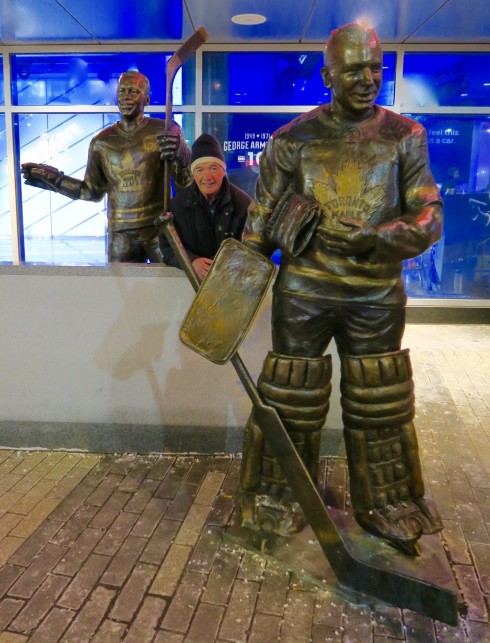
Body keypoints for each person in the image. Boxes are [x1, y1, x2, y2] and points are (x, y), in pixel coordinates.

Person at [238, 23, 444, 555]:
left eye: (375, 68)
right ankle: (279, 494)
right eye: (354, 70)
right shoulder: (292, 140)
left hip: (375, 295)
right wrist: (231, 288)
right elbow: (257, 226)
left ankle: (385, 499)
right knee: (290, 396)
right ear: (328, 74)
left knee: (380, 398)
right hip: (304, 291)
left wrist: (378, 236)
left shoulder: (405, 137)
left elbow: (428, 214)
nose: (367, 79)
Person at [21, 71, 192, 263]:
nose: (126, 96)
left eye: (134, 91)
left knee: (169, 287)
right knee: (118, 290)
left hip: (158, 229)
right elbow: (90, 192)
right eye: (122, 91)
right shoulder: (101, 143)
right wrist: (55, 180)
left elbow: (185, 187)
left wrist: (182, 157)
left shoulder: (165, 131)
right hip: (121, 232)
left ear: (147, 99)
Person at [160, 133, 251, 280]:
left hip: (232, 284)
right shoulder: (177, 206)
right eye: (200, 170)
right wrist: (191, 262)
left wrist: (232, 265)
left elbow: (256, 250)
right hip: (190, 287)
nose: (207, 177)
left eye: (213, 168)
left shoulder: (243, 204)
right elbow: (167, 247)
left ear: (223, 171)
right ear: (193, 173)